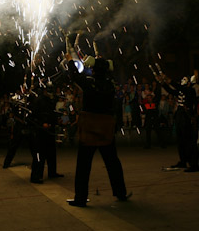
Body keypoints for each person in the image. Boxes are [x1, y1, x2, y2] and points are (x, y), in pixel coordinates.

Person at [64, 51, 128, 207]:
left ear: (93, 70)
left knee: (83, 166)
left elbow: (74, 75)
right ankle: (121, 193)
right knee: (113, 163)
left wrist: (70, 60)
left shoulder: (89, 83)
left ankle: (80, 198)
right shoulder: (110, 84)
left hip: (90, 128)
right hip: (106, 128)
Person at [160, 75, 199, 172]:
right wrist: (163, 83)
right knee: (181, 140)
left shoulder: (190, 90)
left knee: (189, 141)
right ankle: (183, 161)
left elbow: (179, 88)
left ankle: (194, 164)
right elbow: (171, 91)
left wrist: (170, 80)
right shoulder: (181, 90)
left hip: (188, 116)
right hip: (180, 115)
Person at [28, 85, 63, 183]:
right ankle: (36, 176)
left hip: (49, 130)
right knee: (40, 154)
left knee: (51, 152)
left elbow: (51, 113)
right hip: (40, 131)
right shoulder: (38, 101)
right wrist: (42, 123)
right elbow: (32, 116)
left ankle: (52, 172)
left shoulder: (50, 100)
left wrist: (56, 121)